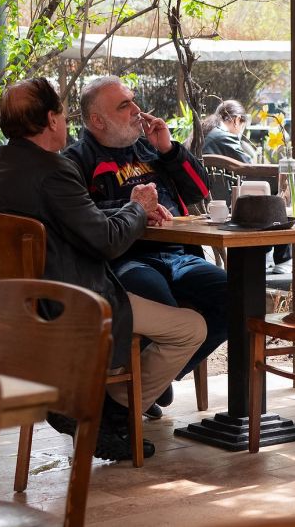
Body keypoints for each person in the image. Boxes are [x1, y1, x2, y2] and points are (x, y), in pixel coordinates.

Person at [0, 77, 205, 461]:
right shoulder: (55, 170)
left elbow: (74, 216)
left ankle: (99, 408)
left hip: (19, 305)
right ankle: (109, 411)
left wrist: (130, 209)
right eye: (63, 115)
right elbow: (106, 241)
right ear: (51, 120)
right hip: (73, 303)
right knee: (190, 327)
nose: (66, 122)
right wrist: (136, 207)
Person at [63, 75, 228, 420]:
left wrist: (169, 149)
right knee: (157, 297)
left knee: (236, 296)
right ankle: (144, 386)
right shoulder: (77, 160)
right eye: (124, 105)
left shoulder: (151, 148)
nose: (137, 110)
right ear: (97, 121)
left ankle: (155, 377)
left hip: (179, 255)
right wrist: (135, 210)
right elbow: (82, 219)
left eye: (134, 100)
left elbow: (200, 191)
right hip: (127, 260)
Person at [199, 99, 291, 273]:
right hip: (233, 201)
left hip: (210, 199)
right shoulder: (223, 136)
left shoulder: (206, 134)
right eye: (242, 125)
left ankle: (265, 252)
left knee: (267, 191)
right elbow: (249, 167)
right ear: (237, 120)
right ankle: (282, 257)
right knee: (278, 193)